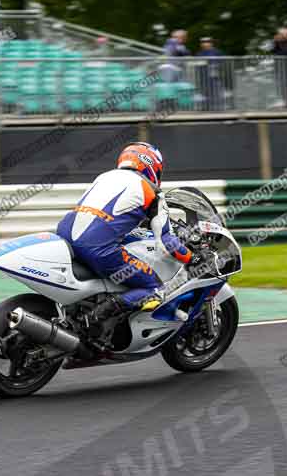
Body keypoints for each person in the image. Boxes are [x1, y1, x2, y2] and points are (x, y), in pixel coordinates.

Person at [56, 142, 194, 321]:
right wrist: (192, 258)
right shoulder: (152, 191)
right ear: (152, 166)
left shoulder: (104, 177)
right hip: (97, 248)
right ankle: (94, 318)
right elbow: (166, 242)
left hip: (64, 235)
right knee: (155, 289)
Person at [271, 27, 287, 106]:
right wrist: (275, 42)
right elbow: (274, 52)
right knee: (279, 84)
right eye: (280, 34)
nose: (280, 36)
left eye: (282, 34)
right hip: (279, 67)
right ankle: (281, 101)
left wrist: (280, 46)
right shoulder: (279, 43)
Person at [196, 37, 225, 110]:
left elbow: (223, 62)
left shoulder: (217, 52)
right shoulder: (199, 53)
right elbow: (197, 63)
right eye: (203, 42)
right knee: (205, 93)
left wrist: (217, 66)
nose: (204, 43)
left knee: (216, 91)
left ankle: (217, 108)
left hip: (215, 76)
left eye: (207, 42)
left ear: (211, 43)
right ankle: (206, 108)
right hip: (203, 76)